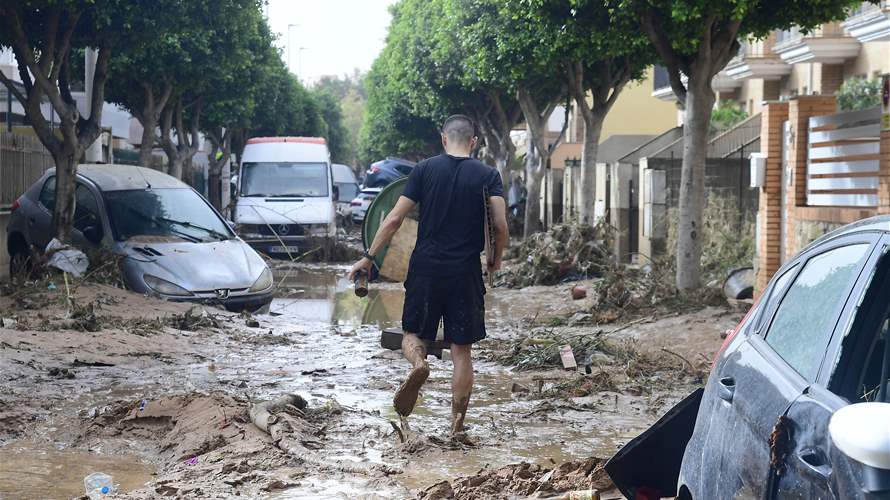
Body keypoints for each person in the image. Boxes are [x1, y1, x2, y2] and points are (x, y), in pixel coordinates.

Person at [348, 115, 509, 439]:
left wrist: (368, 257)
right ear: (474, 142)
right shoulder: (488, 175)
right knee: (461, 350)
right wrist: (496, 259)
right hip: (464, 272)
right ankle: (456, 426)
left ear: (443, 139)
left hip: (425, 268)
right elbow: (500, 224)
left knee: (412, 334)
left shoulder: (424, 170)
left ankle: (419, 365)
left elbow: (394, 218)